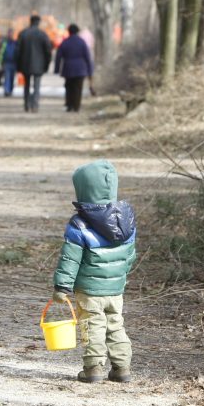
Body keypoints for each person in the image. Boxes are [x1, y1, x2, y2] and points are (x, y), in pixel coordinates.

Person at [51, 159, 137, 383]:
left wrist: (62, 286)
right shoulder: (126, 221)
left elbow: (70, 259)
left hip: (89, 291)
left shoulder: (79, 224)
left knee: (93, 325)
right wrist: (121, 276)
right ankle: (122, 368)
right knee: (115, 324)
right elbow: (130, 255)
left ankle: (94, 369)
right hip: (116, 288)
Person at [15, 14, 53, 112]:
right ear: (38, 22)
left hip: (25, 64)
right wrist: (47, 64)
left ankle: (26, 105)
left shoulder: (23, 33)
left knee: (26, 85)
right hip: (39, 65)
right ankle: (35, 106)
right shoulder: (43, 34)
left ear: (30, 21)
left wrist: (18, 65)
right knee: (37, 86)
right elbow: (48, 51)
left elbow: (17, 51)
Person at [54, 23, 94, 112]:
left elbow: (58, 56)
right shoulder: (82, 42)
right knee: (78, 88)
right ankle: (76, 106)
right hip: (80, 69)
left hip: (68, 68)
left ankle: (69, 105)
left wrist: (57, 69)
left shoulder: (65, 42)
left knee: (69, 87)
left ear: (69, 31)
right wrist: (90, 69)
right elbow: (87, 57)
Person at [0, 30, 18, 97]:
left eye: (11, 34)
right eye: (9, 34)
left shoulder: (15, 43)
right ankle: (6, 91)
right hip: (6, 63)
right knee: (7, 77)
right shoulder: (4, 43)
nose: (10, 35)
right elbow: (0, 53)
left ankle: (10, 90)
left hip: (14, 63)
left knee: (12, 78)